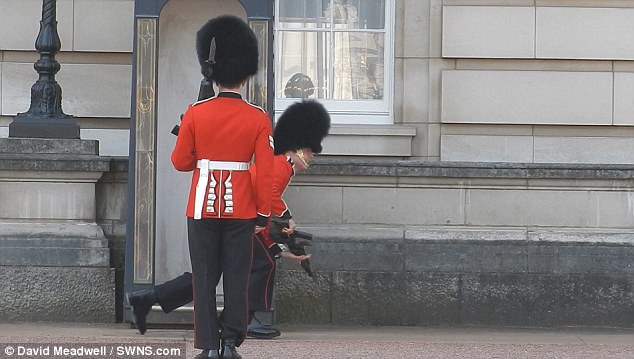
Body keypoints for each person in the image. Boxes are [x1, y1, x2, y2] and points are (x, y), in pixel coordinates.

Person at [126, 100, 331, 343]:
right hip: (238, 215)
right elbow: (263, 190)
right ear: (297, 150)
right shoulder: (281, 164)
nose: (310, 156)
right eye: (309, 151)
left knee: (209, 275)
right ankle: (243, 321)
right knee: (258, 265)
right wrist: (285, 215)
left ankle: (148, 297)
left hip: (230, 213)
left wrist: (282, 249)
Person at [171, 15, 273, 359]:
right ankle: (230, 343)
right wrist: (263, 214)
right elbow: (267, 169)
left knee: (204, 278)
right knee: (236, 279)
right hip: (242, 208)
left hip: (201, 207)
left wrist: (201, 150)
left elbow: (180, 162)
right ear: (245, 77)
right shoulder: (258, 117)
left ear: (213, 76)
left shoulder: (196, 112)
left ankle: (209, 347)